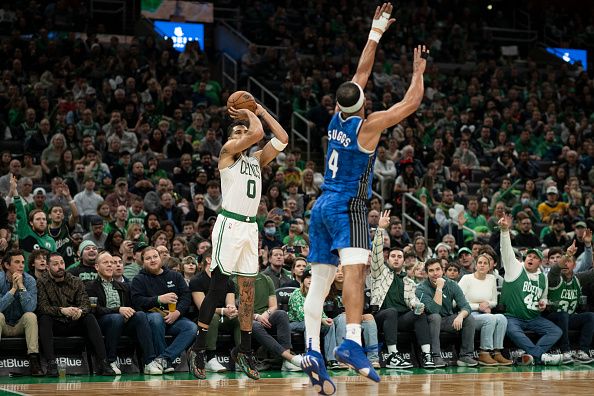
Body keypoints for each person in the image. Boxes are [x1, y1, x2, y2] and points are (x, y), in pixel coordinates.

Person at [303, 4, 426, 391]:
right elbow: (410, 105)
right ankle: (353, 342)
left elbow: (360, 73)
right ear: (363, 104)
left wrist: (375, 32)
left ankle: (310, 349)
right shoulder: (368, 125)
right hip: (347, 206)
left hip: (320, 205)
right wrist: (418, 74)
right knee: (356, 269)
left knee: (320, 282)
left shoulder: (336, 115)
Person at [189, 100, 288, 380]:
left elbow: (282, 138)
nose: (242, 134)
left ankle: (244, 351)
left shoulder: (255, 160)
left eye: (243, 130)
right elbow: (256, 134)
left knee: (246, 292)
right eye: (237, 132)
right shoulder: (227, 154)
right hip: (229, 224)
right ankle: (197, 349)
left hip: (249, 228)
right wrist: (249, 112)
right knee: (219, 287)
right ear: (231, 138)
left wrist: (262, 111)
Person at [370, 211, 434, 369]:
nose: (396, 258)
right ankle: (392, 356)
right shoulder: (380, 272)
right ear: (388, 259)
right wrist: (380, 230)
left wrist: (417, 305)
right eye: (393, 256)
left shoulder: (408, 281)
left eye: (399, 256)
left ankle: (427, 355)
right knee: (391, 311)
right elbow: (376, 254)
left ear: (404, 261)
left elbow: (412, 299)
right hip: (381, 316)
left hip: (401, 319)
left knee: (419, 314)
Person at [498, 213, 563, 365]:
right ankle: (541, 356)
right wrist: (505, 231)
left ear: (541, 262)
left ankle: (532, 356)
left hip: (534, 318)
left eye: (534, 257)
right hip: (512, 316)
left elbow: (544, 298)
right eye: (528, 256)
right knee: (513, 331)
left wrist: (543, 303)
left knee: (556, 331)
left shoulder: (543, 278)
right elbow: (505, 250)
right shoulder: (514, 268)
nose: (530, 258)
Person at [37, 252, 116, 376]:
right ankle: (51, 364)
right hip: (55, 323)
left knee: (89, 317)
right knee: (44, 318)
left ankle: (103, 362)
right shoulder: (42, 282)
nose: (60, 267)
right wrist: (61, 310)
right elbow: (42, 307)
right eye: (55, 264)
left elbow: (86, 303)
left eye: (62, 263)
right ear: (47, 267)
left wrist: (80, 311)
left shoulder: (75, 281)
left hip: (73, 322)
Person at [86, 251, 163, 375]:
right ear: (96, 267)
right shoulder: (90, 286)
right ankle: (111, 360)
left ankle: (149, 361)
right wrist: (118, 310)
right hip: (102, 323)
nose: (110, 265)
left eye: (112, 262)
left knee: (141, 315)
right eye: (106, 262)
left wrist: (130, 312)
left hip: (123, 321)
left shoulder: (124, 286)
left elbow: (134, 306)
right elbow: (94, 310)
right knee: (116, 318)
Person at [130, 246, 197, 373]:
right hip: (150, 318)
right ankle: (164, 362)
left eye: (155, 257)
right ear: (143, 262)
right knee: (156, 318)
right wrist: (159, 299)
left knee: (191, 328)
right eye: (148, 258)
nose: (153, 260)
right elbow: (137, 301)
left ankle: (163, 359)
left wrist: (177, 313)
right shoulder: (139, 279)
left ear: (161, 258)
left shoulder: (175, 276)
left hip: (173, 317)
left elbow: (186, 297)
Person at [416, 258, 479, 367]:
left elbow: (466, 306)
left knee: (468, 318)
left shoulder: (451, 284)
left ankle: (465, 356)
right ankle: (435, 357)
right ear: (426, 273)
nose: (435, 273)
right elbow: (434, 310)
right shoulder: (421, 289)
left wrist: (460, 316)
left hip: (446, 320)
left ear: (443, 270)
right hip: (428, 322)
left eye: (437, 269)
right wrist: (439, 288)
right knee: (435, 317)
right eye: (431, 270)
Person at [189, 249, 239, 373]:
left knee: (239, 318)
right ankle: (210, 358)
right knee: (211, 316)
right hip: (201, 318)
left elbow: (230, 303)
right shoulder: (197, 280)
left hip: (223, 316)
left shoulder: (228, 281)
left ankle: (240, 356)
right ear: (209, 260)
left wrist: (231, 309)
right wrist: (223, 311)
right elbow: (202, 307)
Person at [458, 254, 513, 366]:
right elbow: (458, 301)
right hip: (468, 315)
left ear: (490, 267)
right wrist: (478, 306)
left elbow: (494, 301)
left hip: (485, 313)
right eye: (480, 263)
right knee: (490, 318)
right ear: (475, 265)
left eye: (485, 263)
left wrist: (487, 304)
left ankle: (497, 352)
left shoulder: (491, 278)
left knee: (502, 318)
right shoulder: (467, 279)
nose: (482, 265)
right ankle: (484, 353)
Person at [545, 240, 594, 364]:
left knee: (590, 316)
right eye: (563, 262)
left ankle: (583, 351)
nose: (565, 264)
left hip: (568, 318)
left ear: (574, 265)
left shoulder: (578, 279)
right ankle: (565, 352)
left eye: (569, 261)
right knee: (563, 315)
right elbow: (555, 269)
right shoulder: (554, 278)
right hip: (551, 318)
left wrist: (588, 245)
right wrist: (567, 255)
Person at [0, 249, 43, 376]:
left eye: (23, 262)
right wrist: (13, 290)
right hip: (3, 324)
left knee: (30, 316)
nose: (21, 266)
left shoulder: (30, 281)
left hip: (19, 325)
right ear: (7, 265)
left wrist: (21, 287)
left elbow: (30, 308)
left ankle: (34, 361)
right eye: (17, 262)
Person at [10, 175, 56, 266]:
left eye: (44, 219)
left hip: (45, 277)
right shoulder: (25, 232)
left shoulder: (51, 241)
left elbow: (54, 262)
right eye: (38, 219)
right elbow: (21, 212)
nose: (42, 221)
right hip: (26, 275)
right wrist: (15, 191)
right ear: (31, 222)